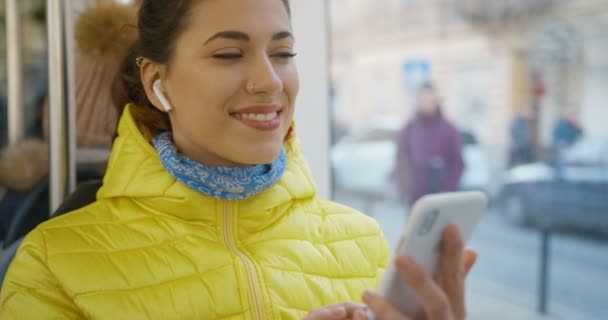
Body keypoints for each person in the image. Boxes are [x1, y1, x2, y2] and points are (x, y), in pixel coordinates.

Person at [0, 1, 476, 319]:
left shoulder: (364, 242)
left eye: (283, 52)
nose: (269, 81)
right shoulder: (51, 265)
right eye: (229, 53)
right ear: (156, 82)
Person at [395, 84, 464, 205]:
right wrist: (404, 188)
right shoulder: (409, 129)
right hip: (415, 198)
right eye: (422, 100)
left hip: (442, 197)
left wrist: (449, 188)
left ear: (436, 101)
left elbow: (458, 162)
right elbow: (401, 160)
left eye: (429, 100)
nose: (425, 104)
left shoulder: (448, 129)